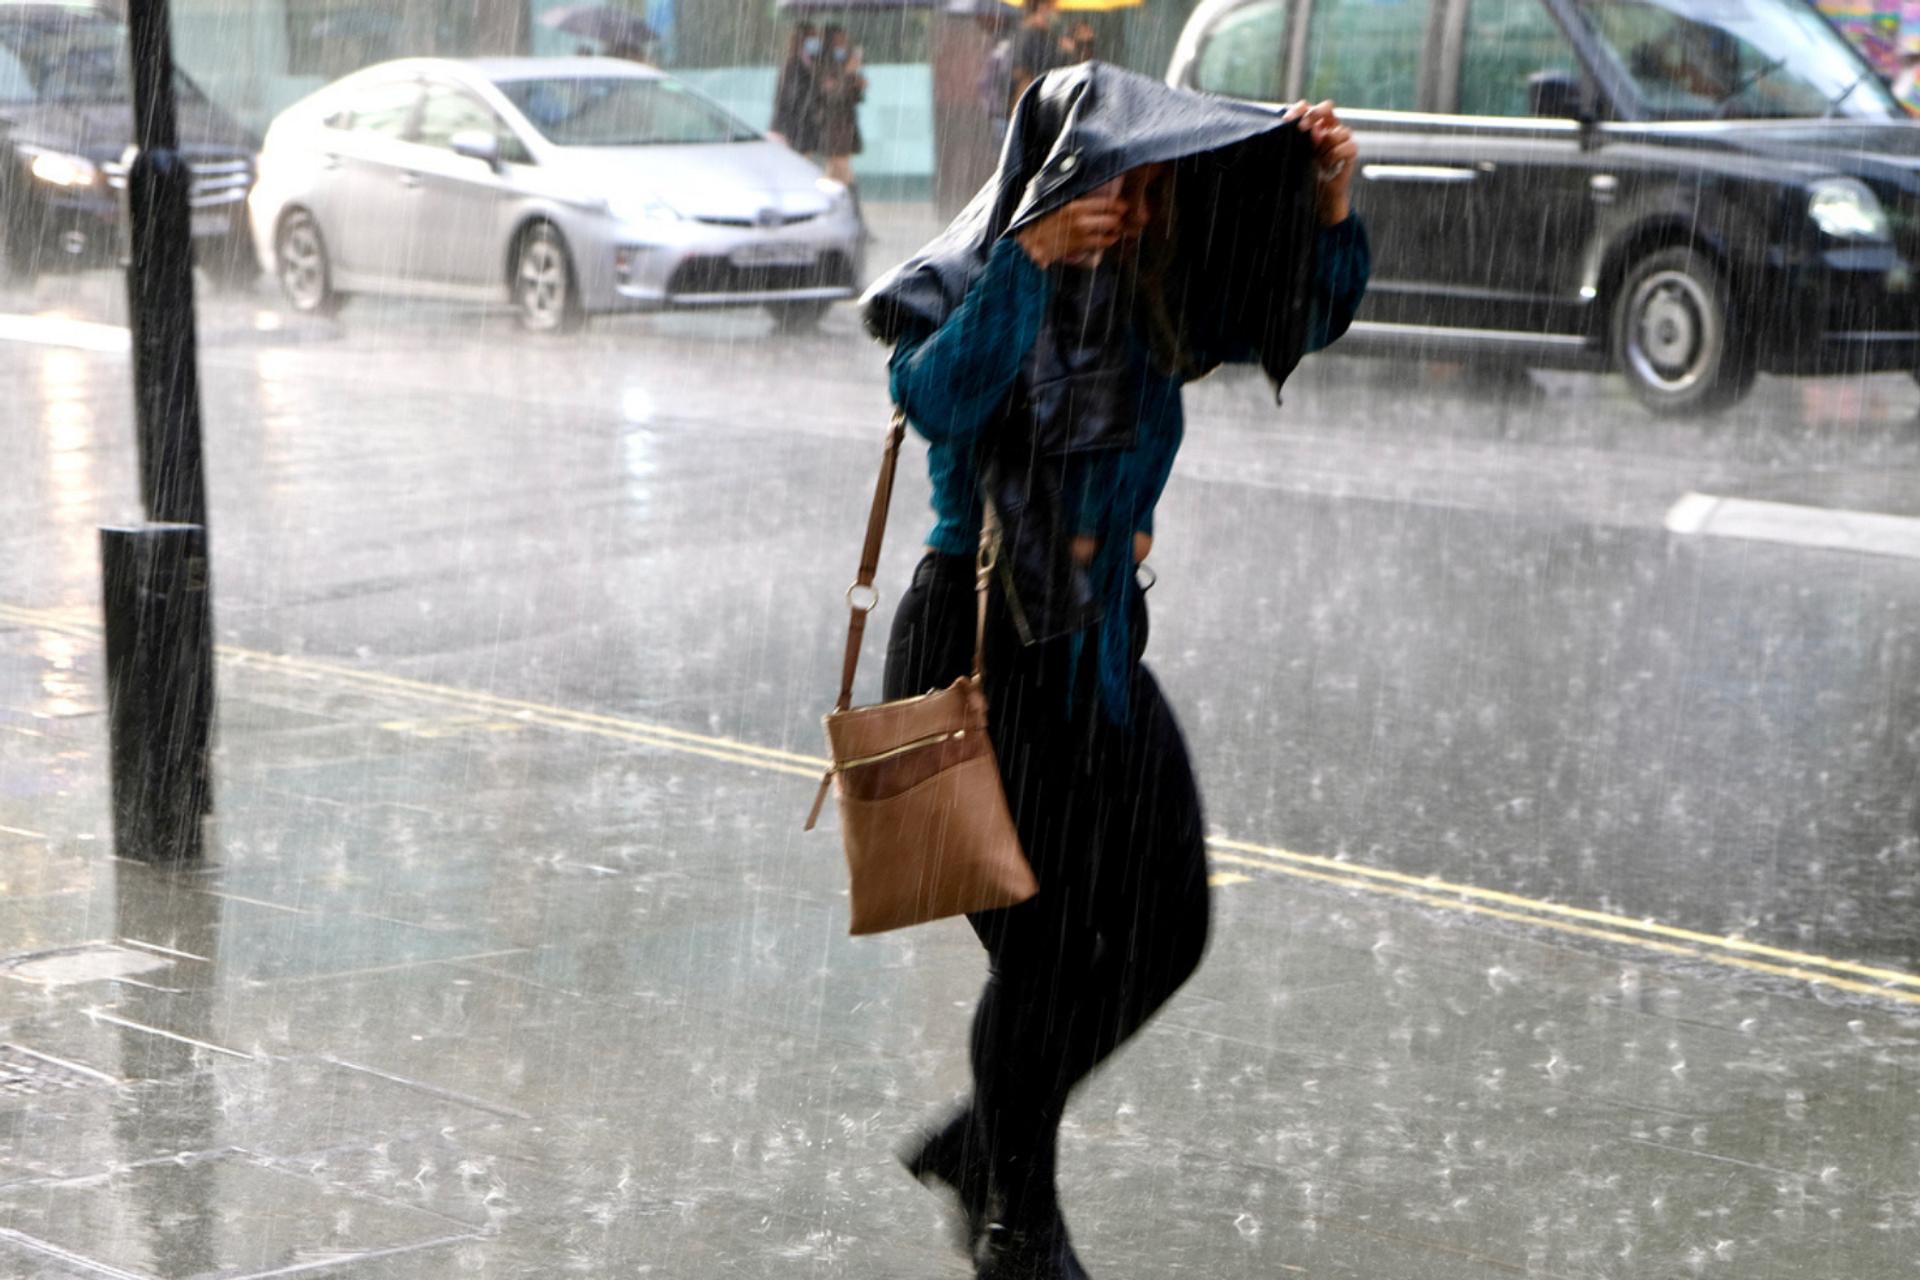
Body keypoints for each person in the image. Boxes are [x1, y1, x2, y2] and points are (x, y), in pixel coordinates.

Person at [863, 64, 1370, 1280]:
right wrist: (1029, 260)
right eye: (1118, 180)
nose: (1136, 206)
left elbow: (1299, 310)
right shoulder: (974, 273)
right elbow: (937, 399)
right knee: (1042, 948)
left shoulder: (1156, 292)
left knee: (1167, 920)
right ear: (1057, 174)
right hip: (981, 649)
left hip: (1094, 641)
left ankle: (988, 1143)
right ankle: (1018, 1224)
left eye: (1154, 181)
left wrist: (1333, 203)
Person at [816, 25, 866, 186]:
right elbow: (830, 93)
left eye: (845, 40)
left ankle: (834, 200)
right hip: (833, 121)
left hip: (845, 121)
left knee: (835, 167)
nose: (844, 44)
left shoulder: (844, 61)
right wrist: (847, 73)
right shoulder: (824, 63)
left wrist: (857, 84)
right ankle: (850, 200)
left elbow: (852, 96)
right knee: (840, 164)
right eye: (840, 41)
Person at [770, 23, 822, 153]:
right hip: (793, 126)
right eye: (813, 37)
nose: (817, 40)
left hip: (805, 124)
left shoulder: (813, 62)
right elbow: (793, 95)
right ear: (802, 40)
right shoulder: (793, 64)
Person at [1008, 0, 1065, 110]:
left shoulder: (1045, 35)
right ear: (1041, 7)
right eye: (1053, 7)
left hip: (1046, 102)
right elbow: (1022, 72)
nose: (1057, 11)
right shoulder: (1029, 34)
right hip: (1037, 104)